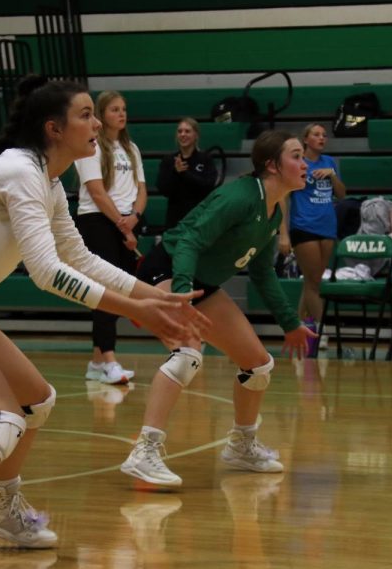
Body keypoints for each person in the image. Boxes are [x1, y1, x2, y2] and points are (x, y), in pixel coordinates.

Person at [0, 77, 208, 569]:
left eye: (96, 114)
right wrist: (135, 310)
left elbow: (80, 258)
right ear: (54, 128)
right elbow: (48, 274)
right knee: (1, 416)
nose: (96, 124)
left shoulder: (46, 179)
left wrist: (147, 293)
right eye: (86, 115)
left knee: (34, 400)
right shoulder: (19, 172)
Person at [119, 130, 317, 487]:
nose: (304, 164)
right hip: (167, 270)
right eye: (297, 156)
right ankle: (144, 452)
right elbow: (189, 241)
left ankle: (241, 446)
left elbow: (261, 272)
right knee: (188, 352)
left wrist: (290, 323)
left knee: (257, 365)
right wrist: (181, 295)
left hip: (201, 284)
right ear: (272, 165)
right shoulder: (239, 197)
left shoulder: (270, 213)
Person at [74, 91, 146, 385]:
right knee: (109, 292)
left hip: (127, 221)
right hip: (99, 221)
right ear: (101, 115)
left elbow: (142, 189)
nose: (121, 114)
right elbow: (96, 191)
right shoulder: (90, 148)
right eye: (114, 109)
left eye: (124, 109)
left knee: (120, 291)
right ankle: (109, 360)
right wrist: (123, 226)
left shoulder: (131, 148)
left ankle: (96, 361)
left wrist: (135, 218)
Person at [278, 123, 346, 353]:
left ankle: (296, 331)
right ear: (305, 139)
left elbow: (342, 194)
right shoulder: (298, 163)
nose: (322, 138)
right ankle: (322, 331)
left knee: (311, 283)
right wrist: (283, 233)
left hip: (327, 227)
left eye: (324, 135)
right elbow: (283, 198)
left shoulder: (329, 162)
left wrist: (333, 175)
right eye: (316, 134)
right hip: (304, 226)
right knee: (315, 283)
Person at [156, 117, 218, 230]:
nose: (183, 134)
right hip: (175, 220)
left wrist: (184, 174)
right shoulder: (169, 160)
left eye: (187, 131)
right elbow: (163, 189)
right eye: (180, 131)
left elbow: (208, 186)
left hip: (199, 218)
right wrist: (175, 172)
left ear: (196, 135)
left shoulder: (205, 159)